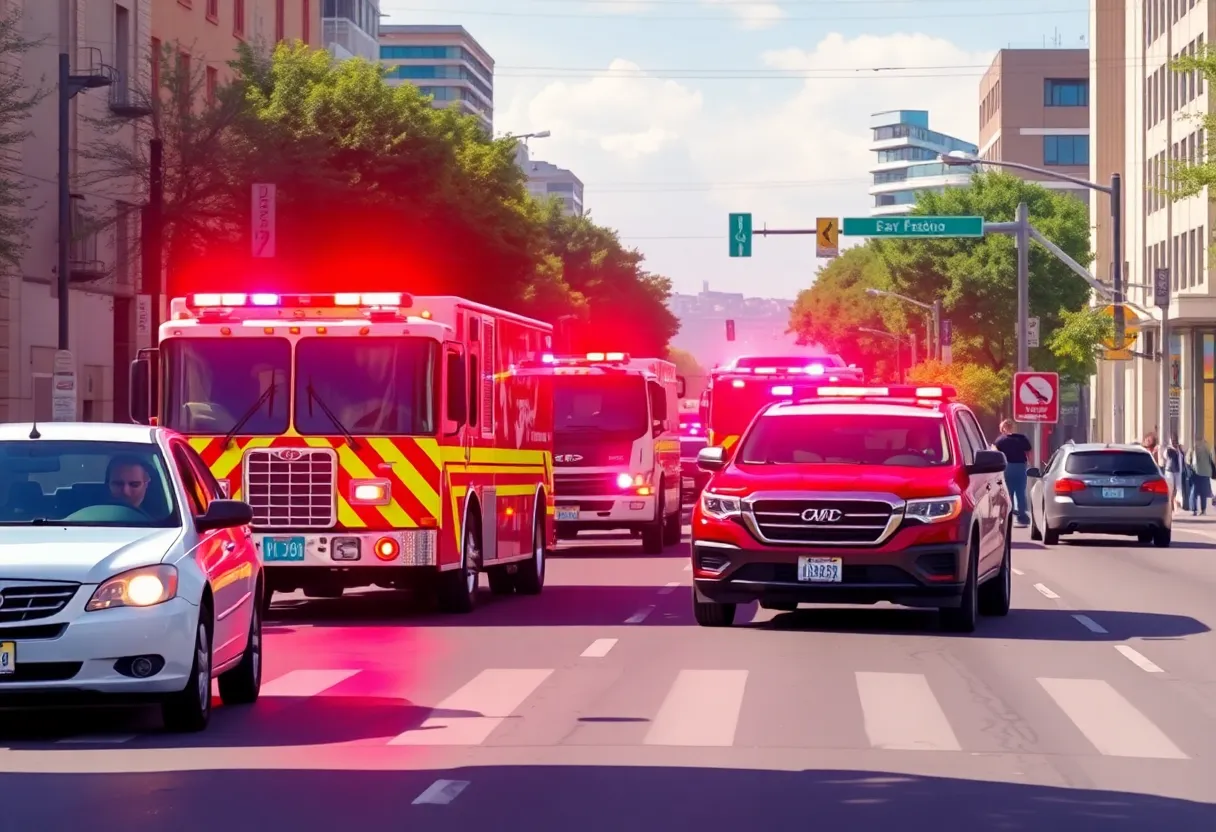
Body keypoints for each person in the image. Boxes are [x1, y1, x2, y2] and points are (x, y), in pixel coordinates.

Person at [994, 419, 1032, 526]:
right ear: (1013, 427)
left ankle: (1009, 513)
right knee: (1020, 491)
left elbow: (995, 453)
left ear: (1002, 429)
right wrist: (1029, 463)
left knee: (1008, 491)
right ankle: (1022, 515)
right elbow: (1028, 451)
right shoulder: (1022, 438)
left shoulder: (1000, 440)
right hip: (1020, 466)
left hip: (1007, 467)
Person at [1186, 438, 1214, 516]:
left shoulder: (1193, 447)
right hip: (1206, 472)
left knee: (1194, 491)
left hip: (1196, 471)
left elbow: (1188, 459)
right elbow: (1213, 459)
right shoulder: (1208, 447)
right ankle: (1203, 510)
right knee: (1203, 492)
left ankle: (1194, 510)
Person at [1163, 435, 1185, 510]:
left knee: (1179, 488)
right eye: (1173, 441)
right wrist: (1174, 449)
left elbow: (1182, 457)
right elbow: (1167, 456)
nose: (1175, 443)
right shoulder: (1169, 449)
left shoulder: (1179, 450)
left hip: (1178, 470)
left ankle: (1178, 504)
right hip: (1170, 470)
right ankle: (1171, 505)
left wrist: (1180, 450)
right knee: (1171, 488)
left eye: (1176, 441)